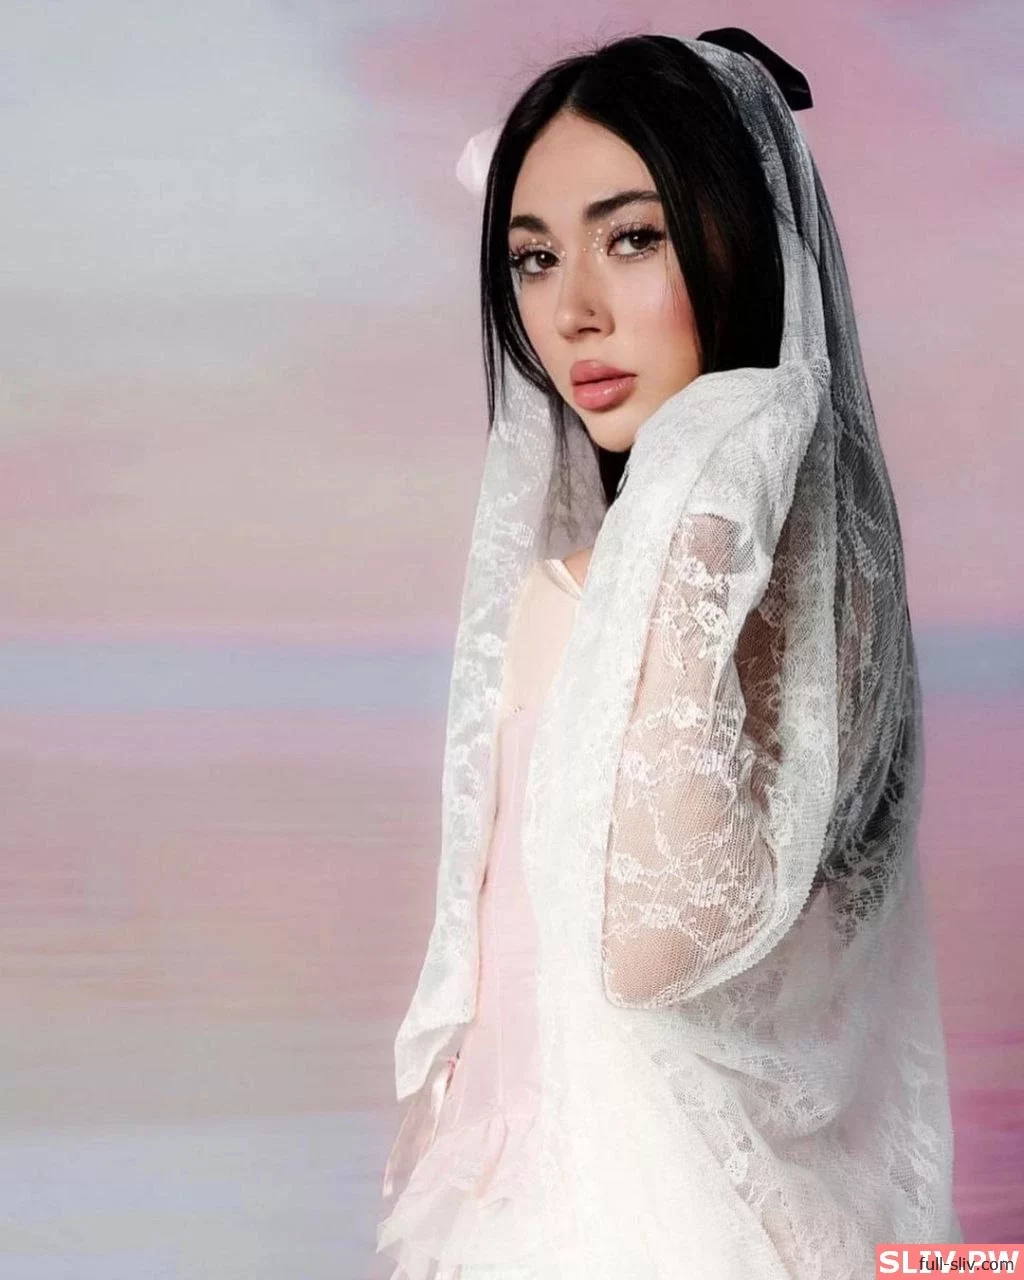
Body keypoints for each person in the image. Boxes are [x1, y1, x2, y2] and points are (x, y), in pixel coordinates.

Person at [377, 29, 960, 1280]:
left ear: (735, 241)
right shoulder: (630, 582)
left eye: (631, 238)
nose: (571, 312)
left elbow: (646, 946)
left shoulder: (742, 584)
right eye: (534, 258)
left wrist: (695, 506)